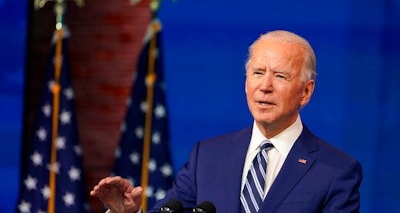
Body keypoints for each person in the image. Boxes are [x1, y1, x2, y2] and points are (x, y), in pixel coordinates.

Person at [90, 30, 362, 213]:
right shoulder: (206, 157)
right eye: (257, 72)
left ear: (306, 91)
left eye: (280, 76)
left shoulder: (336, 171)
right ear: (246, 82)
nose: (265, 86)